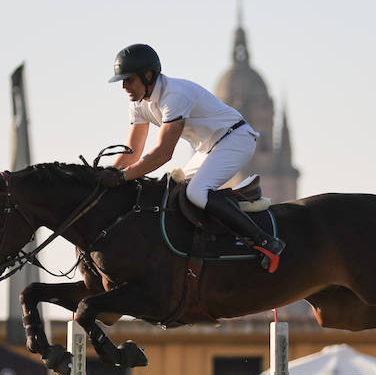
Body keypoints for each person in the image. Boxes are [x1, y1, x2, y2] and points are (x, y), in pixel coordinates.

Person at [96, 43, 286, 272]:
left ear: (148, 76)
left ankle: (266, 241)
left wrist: (123, 177)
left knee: (196, 191)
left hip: (236, 139)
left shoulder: (174, 96)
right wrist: (108, 175)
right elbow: (133, 151)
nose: (124, 86)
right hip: (209, 147)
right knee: (175, 192)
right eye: (122, 81)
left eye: (129, 80)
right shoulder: (137, 104)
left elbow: (163, 153)